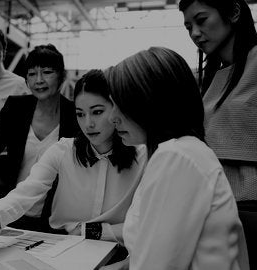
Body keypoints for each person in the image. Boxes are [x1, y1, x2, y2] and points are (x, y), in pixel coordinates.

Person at [0, 69, 147, 245]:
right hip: (61, 244)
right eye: (80, 114)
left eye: (97, 112)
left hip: (118, 250)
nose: (88, 124)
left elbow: (143, 223)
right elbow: (27, 191)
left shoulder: (143, 156)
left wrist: (93, 231)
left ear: (116, 109)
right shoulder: (63, 150)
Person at [101, 47, 249, 269]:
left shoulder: (176, 157)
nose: (112, 117)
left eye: (119, 104)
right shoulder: (184, 151)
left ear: (150, 103)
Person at [0, 44, 79, 231]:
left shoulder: (75, 115)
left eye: (47, 72)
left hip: (53, 218)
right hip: (10, 210)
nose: (39, 80)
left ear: (61, 75)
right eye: (32, 74)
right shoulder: (15, 107)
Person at [179, 0, 257, 202]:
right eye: (189, 28)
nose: (195, 33)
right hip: (216, 201)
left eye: (202, 20)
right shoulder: (211, 80)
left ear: (234, 12)